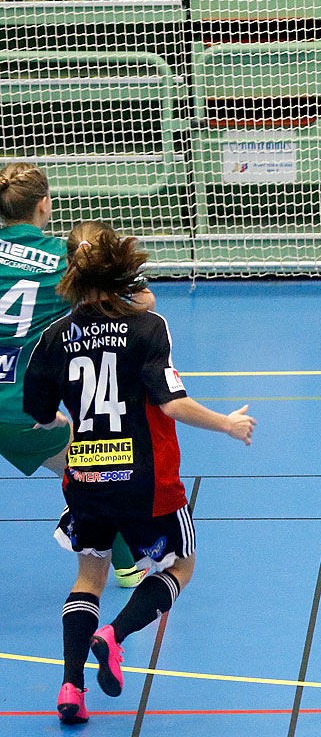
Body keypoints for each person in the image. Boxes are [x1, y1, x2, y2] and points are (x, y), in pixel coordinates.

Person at [22, 221, 255, 724]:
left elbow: (38, 414)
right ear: (121, 264)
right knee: (181, 567)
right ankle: (116, 635)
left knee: (88, 578)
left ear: (70, 270)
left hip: (85, 475)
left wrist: (62, 418)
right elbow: (171, 404)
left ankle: (70, 687)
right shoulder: (150, 328)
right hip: (146, 479)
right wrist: (227, 424)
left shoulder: (52, 339)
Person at [0, 163, 147, 587]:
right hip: (19, 412)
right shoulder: (60, 262)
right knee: (96, 470)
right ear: (44, 204)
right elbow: (126, 303)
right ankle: (126, 566)